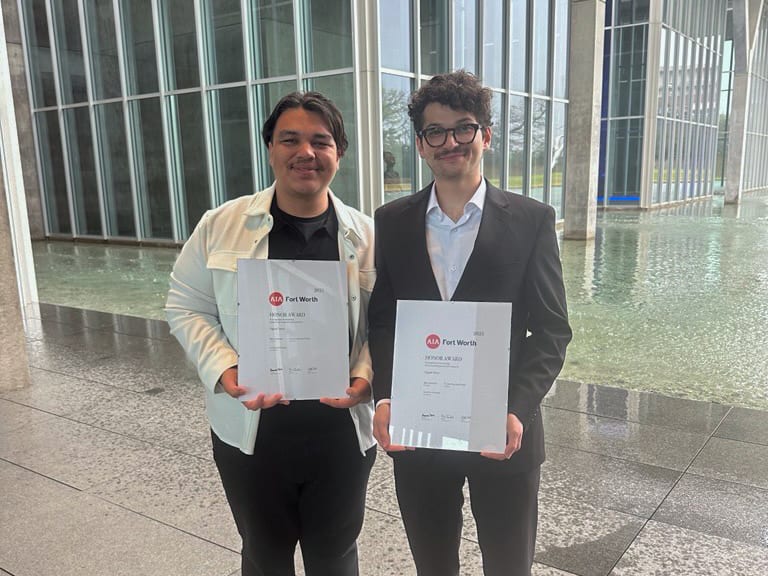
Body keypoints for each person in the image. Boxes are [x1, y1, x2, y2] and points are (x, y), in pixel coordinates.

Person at [368, 71, 572, 576]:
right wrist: (386, 396)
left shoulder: (532, 220)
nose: (450, 142)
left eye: (463, 128)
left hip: (503, 431)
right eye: (434, 132)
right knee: (433, 564)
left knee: (508, 565)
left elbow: (551, 330)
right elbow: (384, 322)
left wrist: (518, 410)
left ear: (486, 134)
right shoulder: (391, 220)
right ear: (420, 145)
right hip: (421, 431)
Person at [166, 91, 376, 576]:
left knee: (336, 557)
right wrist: (226, 368)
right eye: (290, 139)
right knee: (263, 556)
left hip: (340, 436)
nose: (306, 152)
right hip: (251, 432)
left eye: (321, 141)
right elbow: (186, 305)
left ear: (338, 154)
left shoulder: (367, 237)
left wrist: (365, 375)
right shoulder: (220, 226)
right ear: (270, 148)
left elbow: (383, 325)